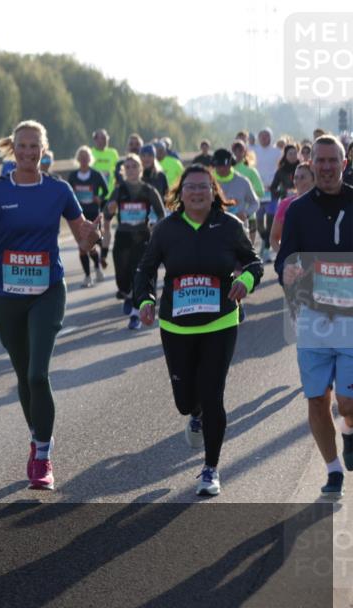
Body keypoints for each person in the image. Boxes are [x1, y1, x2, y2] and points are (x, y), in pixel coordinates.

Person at [0, 120, 100, 491]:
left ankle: (42, 455)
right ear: (13, 149)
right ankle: (38, 434)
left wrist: (91, 239)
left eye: (33, 146)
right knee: (24, 375)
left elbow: (83, 241)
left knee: (39, 374)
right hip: (8, 296)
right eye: (21, 146)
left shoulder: (59, 190)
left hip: (47, 291)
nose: (27, 152)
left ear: (44, 149)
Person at [135, 165, 262, 496]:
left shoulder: (229, 226)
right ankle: (194, 413)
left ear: (213, 191)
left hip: (220, 321)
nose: (196, 193)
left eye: (203, 188)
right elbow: (146, 269)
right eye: (190, 187)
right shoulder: (166, 229)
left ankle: (211, 469)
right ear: (181, 192)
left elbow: (253, 262)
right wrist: (145, 299)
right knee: (185, 400)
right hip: (176, 325)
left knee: (213, 393)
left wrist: (246, 280)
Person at [275, 135, 353, 498]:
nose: (325, 167)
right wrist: (287, 272)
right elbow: (284, 257)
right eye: (319, 161)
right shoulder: (298, 209)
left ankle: (349, 430)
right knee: (317, 399)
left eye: (331, 160)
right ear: (312, 163)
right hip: (313, 318)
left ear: (343, 163)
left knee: (348, 402)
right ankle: (333, 468)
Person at [106, 153, 165, 329]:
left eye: (134, 166)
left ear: (140, 169)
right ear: (124, 170)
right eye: (128, 167)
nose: (131, 170)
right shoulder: (119, 190)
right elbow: (108, 213)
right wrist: (109, 210)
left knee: (139, 274)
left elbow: (161, 213)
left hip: (142, 236)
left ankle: (134, 314)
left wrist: (156, 226)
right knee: (122, 276)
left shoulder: (148, 190)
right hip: (123, 236)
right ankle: (127, 293)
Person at [67, 146, 109, 287]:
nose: (84, 159)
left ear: (90, 159)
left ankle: (97, 267)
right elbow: (69, 194)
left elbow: (106, 190)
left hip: (93, 213)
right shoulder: (73, 176)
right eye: (81, 157)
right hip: (78, 215)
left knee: (92, 244)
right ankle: (87, 276)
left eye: (86, 157)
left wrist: (100, 198)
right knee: (81, 246)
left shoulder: (96, 174)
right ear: (78, 159)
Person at [270, 161, 314, 252]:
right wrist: (284, 258)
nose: (298, 181)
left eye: (302, 177)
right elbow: (273, 238)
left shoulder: (323, 203)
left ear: (314, 179)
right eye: (296, 177)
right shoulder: (285, 204)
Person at [252, 128, 282, 259]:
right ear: (259, 138)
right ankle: (265, 240)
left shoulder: (277, 152)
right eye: (262, 136)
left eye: (267, 136)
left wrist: (275, 184)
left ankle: (266, 249)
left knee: (270, 220)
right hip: (258, 190)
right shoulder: (253, 151)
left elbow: (280, 169)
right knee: (259, 222)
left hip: (272, 190)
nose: (264, 138)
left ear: (271, 137)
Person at [231, 139, 266, 246]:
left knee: (249, 250)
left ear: (245, 152)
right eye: (235, 150)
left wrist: (247, 194)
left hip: (249, 216)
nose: (238, 153)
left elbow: (261, 191)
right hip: (231, 215)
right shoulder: (228, 171)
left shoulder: (251, 171)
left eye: (240, 150)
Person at [211, 149, 259, 225]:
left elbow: (255, 203)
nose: (222, 169)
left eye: (225, 166)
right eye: (219, 166)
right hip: (215, 227)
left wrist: (246, 214)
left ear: (231, 164)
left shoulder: (243, 181)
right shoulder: (207, 182)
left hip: (239, 228)